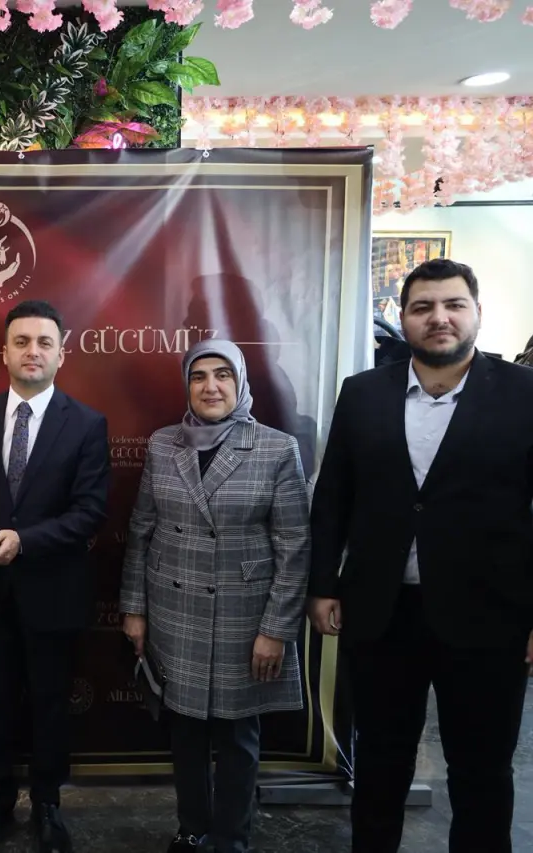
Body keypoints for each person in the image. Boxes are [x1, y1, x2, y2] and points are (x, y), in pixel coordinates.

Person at [308, 258, 533, 853]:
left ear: (477, 313)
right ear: (402, 318)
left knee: (482, 773)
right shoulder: (363, 393)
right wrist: (323, 584)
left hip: (490, 618)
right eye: (423, 307)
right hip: (382, 613)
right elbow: (333, 496)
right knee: (379, 766)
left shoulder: (524, 394)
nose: (439, 317)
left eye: (454, 304)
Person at [119, 339, 311, 853]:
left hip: (243, 620)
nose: (210, 386)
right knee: (184, 732)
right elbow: (140, 530)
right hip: (173, 612)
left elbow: (294, 547)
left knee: (237, 738)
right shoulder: (164, 444)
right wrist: (134, 608)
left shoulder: (275, 448)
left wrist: (276, 630)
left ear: (240, 382)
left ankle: (230, 838)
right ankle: (192, 828)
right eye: (198, 376)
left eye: (222, 375)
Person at [0, 299, 110, 853]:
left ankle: (47, 807)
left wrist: (25, 541)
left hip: (54, 594)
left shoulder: (87, 423)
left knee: (50, 706)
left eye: (45, 342)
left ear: (62, 354)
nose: (33, 351)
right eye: (22, 341)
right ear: (4, 352)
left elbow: (90, 512)